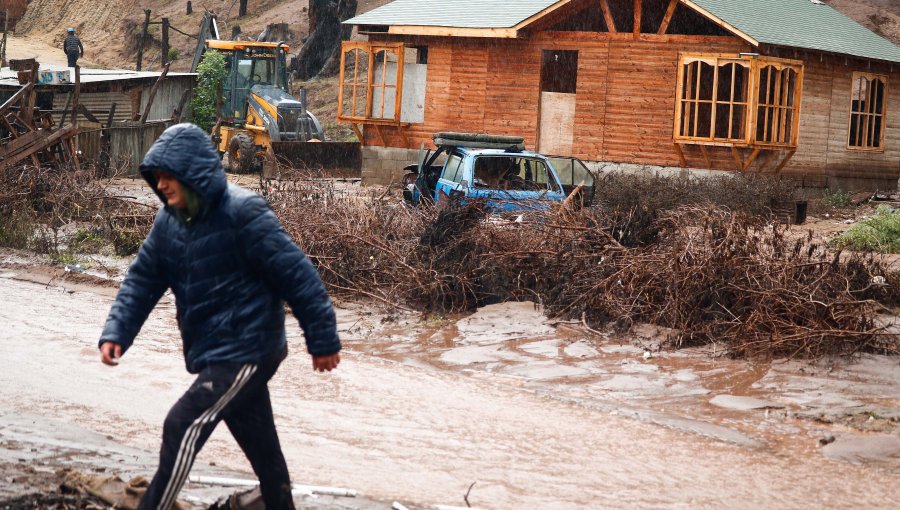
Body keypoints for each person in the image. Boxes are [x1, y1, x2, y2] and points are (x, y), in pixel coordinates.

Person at [98, 123, 341, 510]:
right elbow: (141, 280)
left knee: (182, 424)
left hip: (248, 349)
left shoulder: (243, 213)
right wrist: (117, 333)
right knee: (264, 453)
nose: (160, 185)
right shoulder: (167, 223)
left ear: (191, 172)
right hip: (215, 352)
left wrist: (323, 340)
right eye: (156, 177)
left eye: (167, 176)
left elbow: (298, 276)